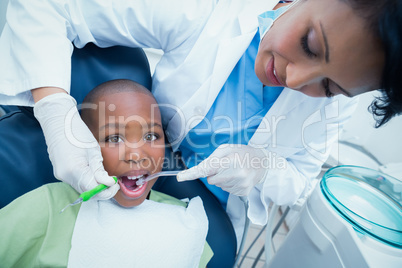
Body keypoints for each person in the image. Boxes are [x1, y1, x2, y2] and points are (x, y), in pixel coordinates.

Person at [0, 0, 401, 247]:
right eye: (309, 44)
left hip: (210, 212)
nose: (295, 81)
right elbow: (48, 4)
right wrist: (54, 111)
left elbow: (299, 179)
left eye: (328, 86)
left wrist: (262, 166)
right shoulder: (204, 9)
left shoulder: (339, 105)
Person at [0, 79, 213, 267]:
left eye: (150, 136)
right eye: (114, 139)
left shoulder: (184, 218)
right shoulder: (46, 206)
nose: (137, 155)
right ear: (85, 145)